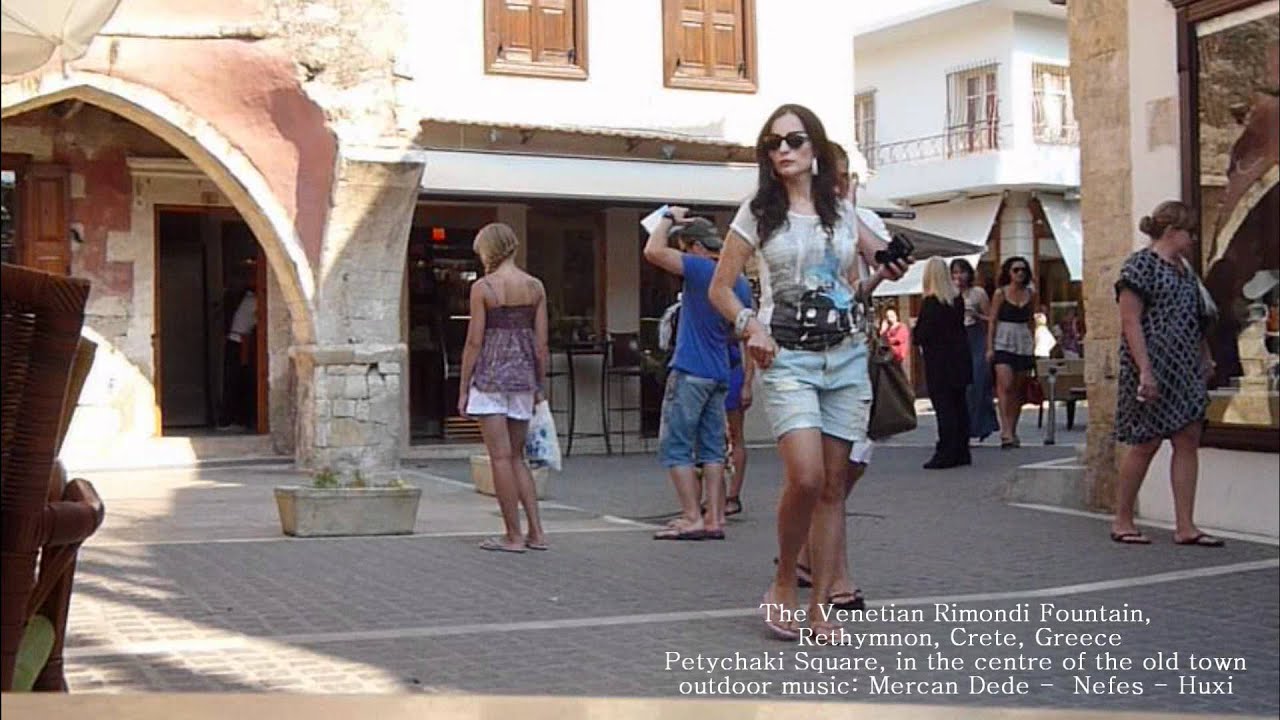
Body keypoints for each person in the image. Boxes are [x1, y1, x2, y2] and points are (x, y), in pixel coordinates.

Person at [708, 104, 907, 640]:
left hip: (844, 357)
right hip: (787, 357)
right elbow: (720, 288)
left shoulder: (842, 212)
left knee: (833, 486)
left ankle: (819, 607)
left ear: (815, 147)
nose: (783, 151)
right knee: (807, 475)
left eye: (794, 140)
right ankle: (782, 582)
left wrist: (888, 266)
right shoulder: (758, 212)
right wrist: (751, 325)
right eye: (773, 144)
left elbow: (857, 281)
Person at [788, 144, 890, 612]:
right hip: (809, 355)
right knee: (823, 475)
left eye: (850, 177)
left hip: (853, 352)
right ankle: (833, 575)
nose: (843, 184)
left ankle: (812, 559)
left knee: (845, 469)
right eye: (837, 175)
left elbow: (855, 291)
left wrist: (879, 277)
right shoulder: (804, 220)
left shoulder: (858, 220)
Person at [1110, 201, 1222, 547]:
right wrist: (1145, 369)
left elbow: (1197, 317)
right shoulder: (1140, 266)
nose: (1192, 239)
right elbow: (1130, 321)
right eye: (1189, 232)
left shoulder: (1185, 270)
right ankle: (1123, 519)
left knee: (1188, 437)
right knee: (1146, 441)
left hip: (1185, 364)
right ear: (1172, 232)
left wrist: (1206, 357)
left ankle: (1185, 525)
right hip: (1151, 364)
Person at [644, 212, 751, 541]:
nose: (683, 255)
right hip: (720, 371)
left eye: (685, 248)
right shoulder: (742, 283)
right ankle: (714, 517)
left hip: (691, 369)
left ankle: (691, 516)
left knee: (676, 446)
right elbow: (740, 332)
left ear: (697, 247)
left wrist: (666, 218)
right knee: (712, 448)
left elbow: (652, 251)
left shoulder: (702, 268)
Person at [458, 222, 550, 553]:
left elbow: (474, 341)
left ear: (488, 251)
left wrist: (464, 386)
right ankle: (537, 532)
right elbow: (542, 344)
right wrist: (540, 384)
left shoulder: (484, 288)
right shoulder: (535, 286)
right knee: (517, 457)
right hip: (524, 379)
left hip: (491, 377)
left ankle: (512, 535)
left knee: (499, 458)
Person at [915, 257, 972, 468]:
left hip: (939, 363)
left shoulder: (931, 303)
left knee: (944, 407)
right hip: (959, 358)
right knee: (959, 405)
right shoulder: (956, 300)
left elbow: (922, 334)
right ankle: (961, 450)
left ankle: (946, 451)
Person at [986, 256, 1037, 448]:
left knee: (1018, 388)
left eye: (1023, 270)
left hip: (1023, 340)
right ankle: (1005, 430)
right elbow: (992, 320)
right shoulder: (1000, 294)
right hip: (1004, 339)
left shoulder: (1030, 294)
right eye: (1016, 270)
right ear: (1009, 272)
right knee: (1005, 384)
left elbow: (1031, 318)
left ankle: (1012, 429)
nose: (1020, 273)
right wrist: (990, 346)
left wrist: (1033, 342)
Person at [951, 258, 999, 441]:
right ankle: (967, 427)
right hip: (958, 339)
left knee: (979, 382)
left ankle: (982, 424)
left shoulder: (978, 293)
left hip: (976, 336)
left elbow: (991, 320)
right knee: (964, 386)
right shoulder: (950, 293)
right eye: (955, 272)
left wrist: (978, 316)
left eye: (961, 272)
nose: (958, 276)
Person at [219, 279, 257, 431]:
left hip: (235, 342)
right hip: (240, 344)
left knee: (234, 380)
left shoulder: (246, 300)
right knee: (238, 381)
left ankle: (232, 419)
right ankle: (232, 420)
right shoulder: (254, 301)